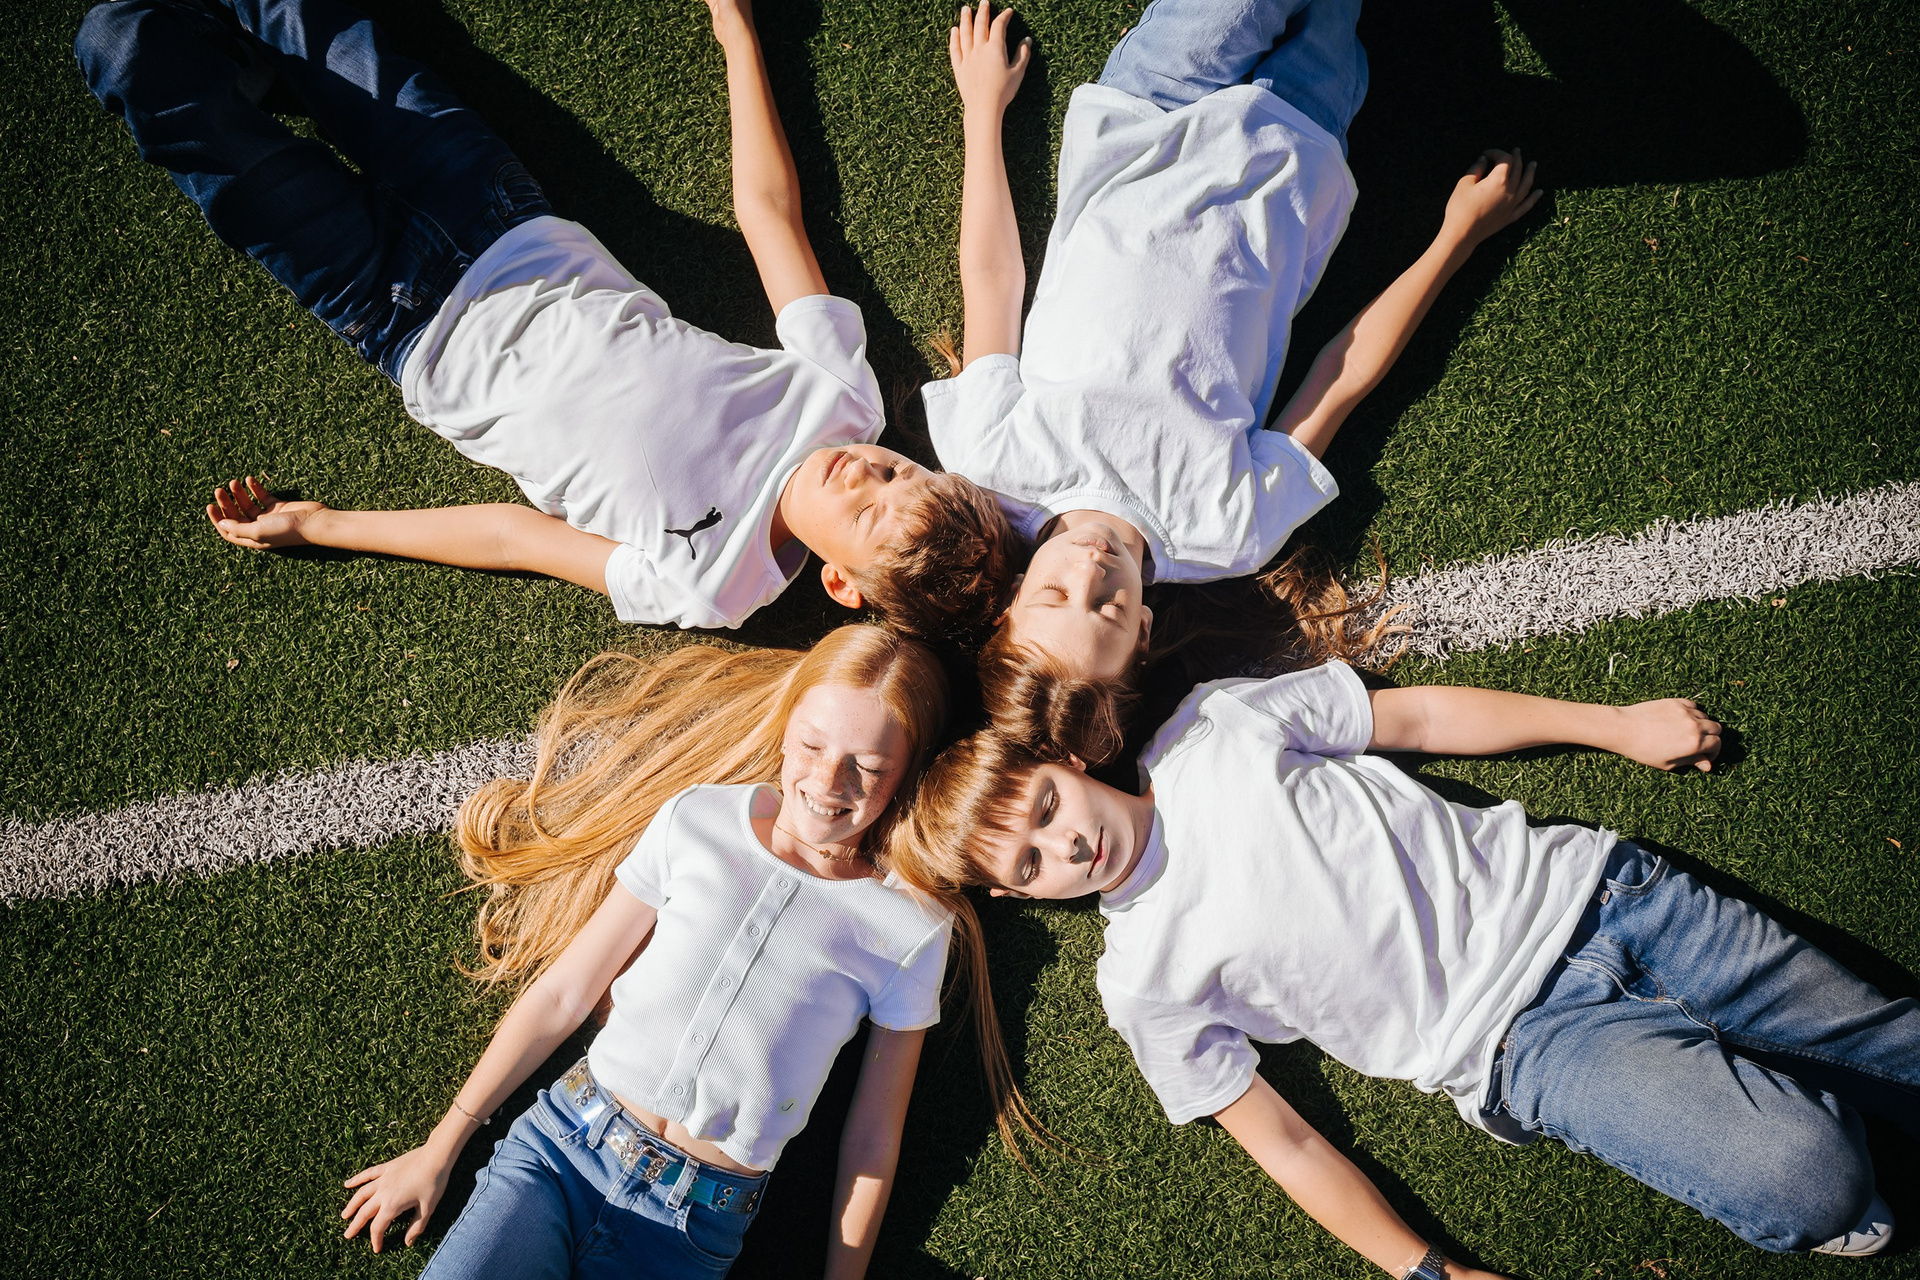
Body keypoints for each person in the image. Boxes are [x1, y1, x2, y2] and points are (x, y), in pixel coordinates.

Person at [892, 666, 1915, 1273]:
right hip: (1526, 1047)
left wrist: (1615, 725)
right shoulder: (1139, 985)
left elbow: (1415, 718)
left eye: (1045, 808)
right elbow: (1285, 1141)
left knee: (1897, 1042)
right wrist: (1425, 1269)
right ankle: (1809, 1153)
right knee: (1815, 1182)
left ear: (1064, 762)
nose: (1067, 846)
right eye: (1029, 864)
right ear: (1018, 898)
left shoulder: (1215, 727)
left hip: (1608, 894)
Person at [76, 0, 1015, 645]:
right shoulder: (843, 397)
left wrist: (321, 524)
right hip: (498, 216)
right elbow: (771, 216)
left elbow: (514, 538)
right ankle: (248, 51)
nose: (865, 473)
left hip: (390, 317)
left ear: (840, 583)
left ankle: (222, 63)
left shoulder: (710, 588)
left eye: (866, 512)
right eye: (899, 471)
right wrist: (739, 34)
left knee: (117, 44)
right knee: (305, 20)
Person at [934, 0, 1541, 743]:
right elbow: (1341, 375)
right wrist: (1457, 238)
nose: (1092, 571)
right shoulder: (1226, 534)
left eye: (1056, 593)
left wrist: (983, 109)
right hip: (1291, 157)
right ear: (1145, 631)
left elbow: (993, 278)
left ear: (1011, 600)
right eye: (1110, 610)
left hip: (1143, 115)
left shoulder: (991, 462)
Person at [339, 625, 1030, 1277]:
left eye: (869, 767)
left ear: (908, 774)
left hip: (691, 1228)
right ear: (787, 724)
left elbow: (873, 1135)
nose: (828, 783)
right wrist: (441, 1146)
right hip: (557, 1153)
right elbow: (564, 993)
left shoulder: (911, 926)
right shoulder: (699, 818)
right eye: (812, 746)